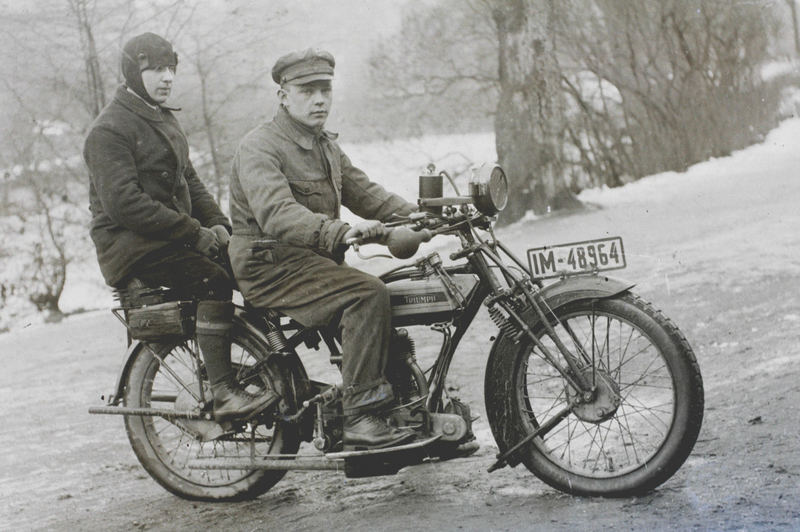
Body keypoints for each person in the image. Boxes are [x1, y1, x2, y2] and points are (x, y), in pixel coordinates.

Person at [228, 48, 418, 450]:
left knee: (397, 288)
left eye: (325, 90)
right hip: (270, 265)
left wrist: (421, 217)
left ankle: (397, 399)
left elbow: (368, 195)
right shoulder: (260, 147)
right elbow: (277, 213)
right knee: (367, 294)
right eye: (307, 90)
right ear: (283, 95)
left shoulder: (324, 146)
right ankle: (361, 416)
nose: (319, 100)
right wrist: (340, 232)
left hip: (307, 261)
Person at [83, 32, 274, 423]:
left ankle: (269, 368)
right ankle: (223, 392)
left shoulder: (161, 116)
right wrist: (194, 233)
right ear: (133, 72)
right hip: (133, 247)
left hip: (167, 237)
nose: (167, 77)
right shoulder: (109, 130)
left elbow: (191, 181)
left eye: (171, 68)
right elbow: (126, 205)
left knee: (252, 263)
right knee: (212, 282)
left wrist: (221, 226)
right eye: (155, 69)